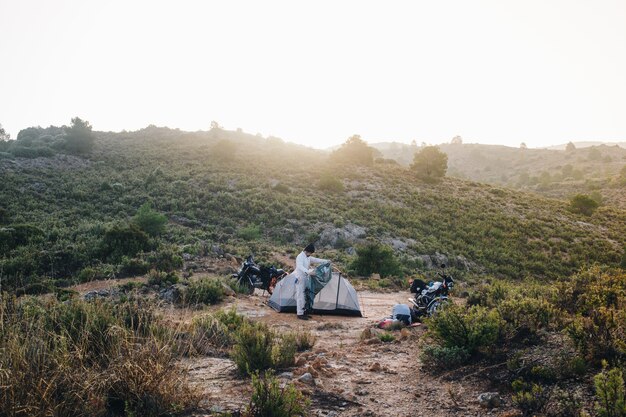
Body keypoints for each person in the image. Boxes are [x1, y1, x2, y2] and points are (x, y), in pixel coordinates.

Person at [295, 243, 328, 320]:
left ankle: (304, 311)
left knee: (306, 295)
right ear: (307, 251)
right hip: (300, 278)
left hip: (306, 278)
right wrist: (308, 272)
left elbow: (316, 260)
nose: (310, 254)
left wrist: (326, 261)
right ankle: (299, 313)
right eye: (310, 253)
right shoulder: (300, 257)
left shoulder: (308, 257)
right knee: (300, 296)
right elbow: (300, 267)